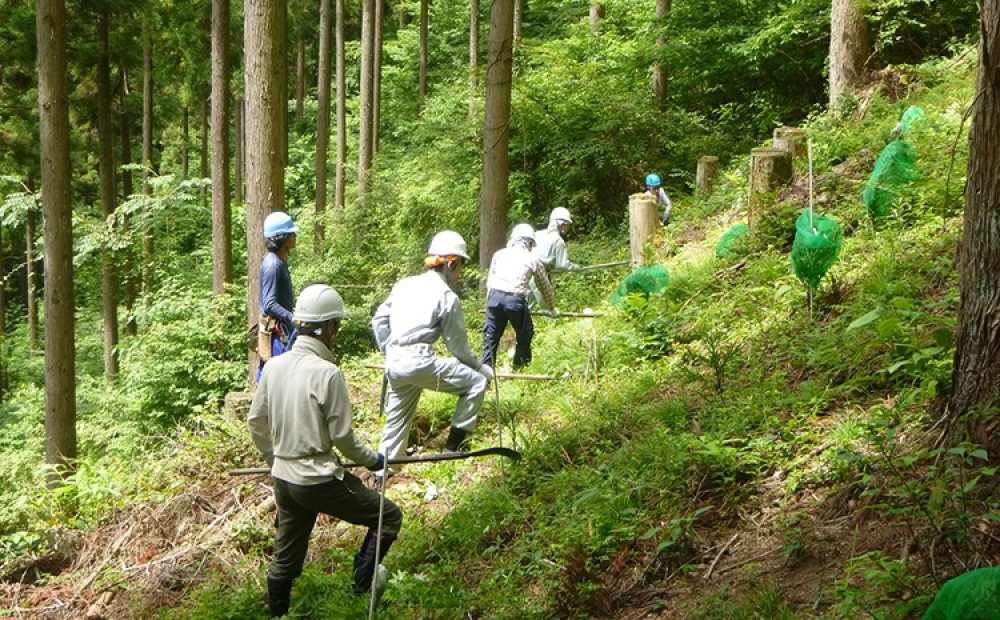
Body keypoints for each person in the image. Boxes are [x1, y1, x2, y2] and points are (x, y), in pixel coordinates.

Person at [249, 284, 401, 617]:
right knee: (388, 516)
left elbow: (256, 422)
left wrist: (274, 459)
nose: (337, 333)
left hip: (285, 480)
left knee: (286, 552)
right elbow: (344, 439)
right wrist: (375, 459)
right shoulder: (328, 374)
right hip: (317, 480)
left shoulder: (273, 367)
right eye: (337, 326)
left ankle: (278, 614)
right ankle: (360, 589)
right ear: (329, 327)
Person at [372, 230, 493, 464]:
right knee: (476, 384)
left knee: (396, 423)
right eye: (460, 267)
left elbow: (378, 321)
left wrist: (389, 352)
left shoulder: (404, 285)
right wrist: (481, 368)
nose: (460, 273)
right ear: (451, 263)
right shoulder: (447, 296)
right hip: (419, 362)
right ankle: (453, 449)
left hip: (395, 364)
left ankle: (382, 475)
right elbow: (457, 346)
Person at [482, 224, 558, 370]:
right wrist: (552, 307)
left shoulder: (499, 254)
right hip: (514, 300)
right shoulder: (532, 259)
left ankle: (485, 376)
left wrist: (489, 303)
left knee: (490, 338)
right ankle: (520, 367)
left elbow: (490, 280)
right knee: (525, 333)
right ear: (529, 242)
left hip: (494, 298)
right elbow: (544, 286)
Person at [258, 211, 299, 379]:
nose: (295, 236)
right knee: (275, 376)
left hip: (281, 331)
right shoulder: (273, 265)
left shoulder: (278, 262)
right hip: (277, 334)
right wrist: (292, 317)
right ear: (282, 238)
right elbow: (269, 304)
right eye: (292, 233)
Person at [534, 207, 582, 274]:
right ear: (562, 224)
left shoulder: (537, 234)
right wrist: (577, 268)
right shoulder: (558, 240)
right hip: (539, 275)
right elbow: (562, 265)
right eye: (567, 224)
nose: (568, 227)